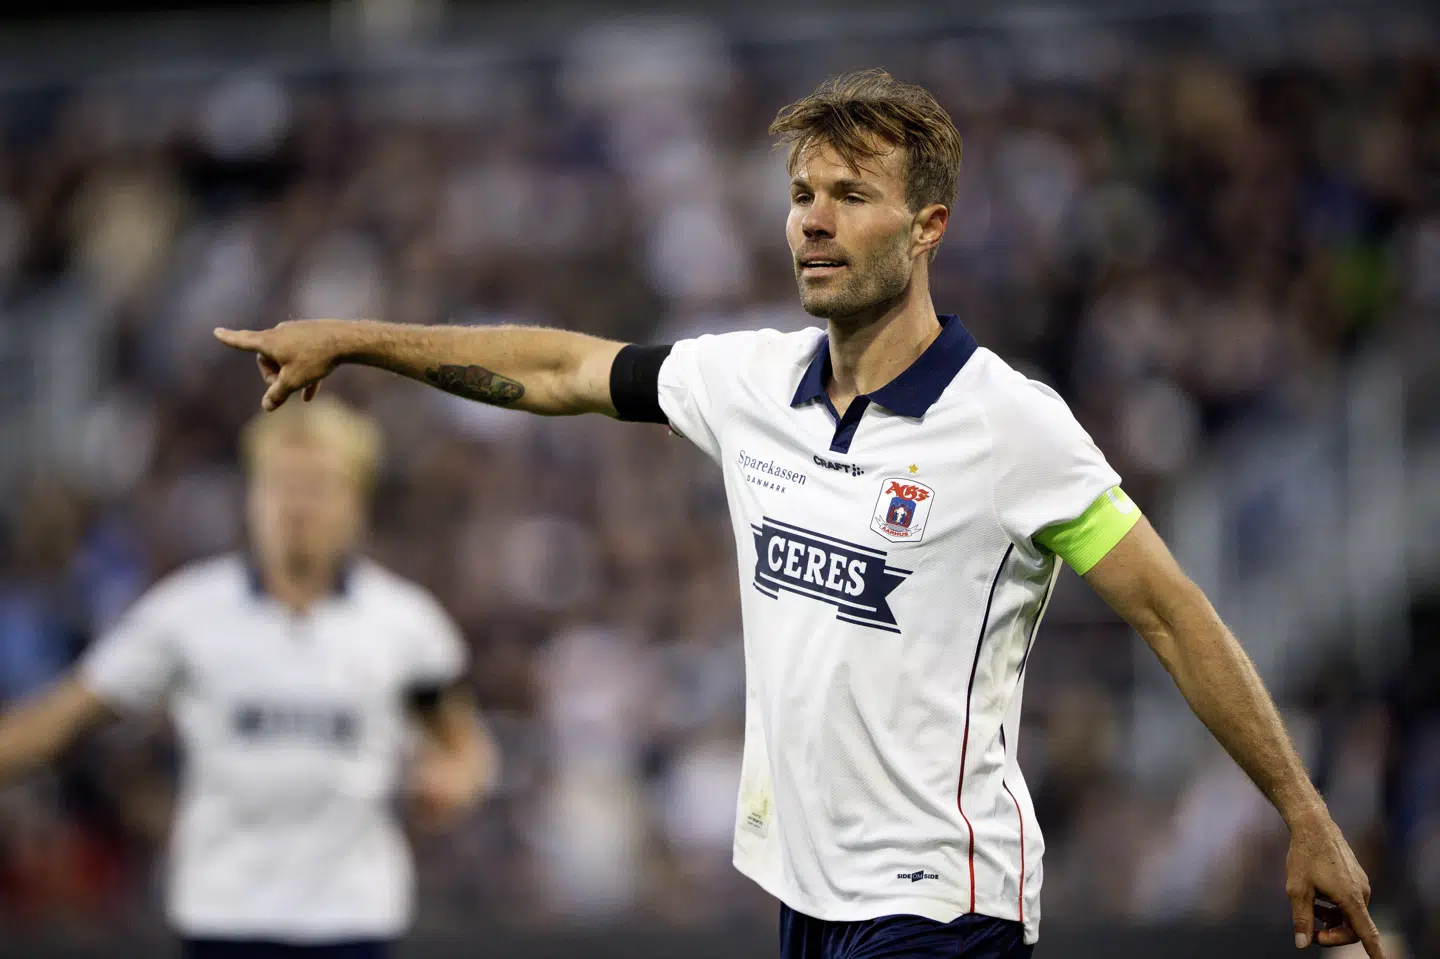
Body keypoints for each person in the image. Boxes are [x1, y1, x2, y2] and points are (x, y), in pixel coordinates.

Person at [215, 69, 1382, 958]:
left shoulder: (1011, 425)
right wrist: (361, 338)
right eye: (801, 195)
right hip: (805, 894)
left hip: (939, 898)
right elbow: (566, 370)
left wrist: (1303, 810)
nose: (812, 221)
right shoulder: (750, 382)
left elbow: (1173, 612)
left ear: (928, 227)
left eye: (850, 196)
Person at [0, 396, 496, 959]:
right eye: (282, 484)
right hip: (226, 912)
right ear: (252, 498)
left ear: (355, 503)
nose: (297, 506)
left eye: (318, 486)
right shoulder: (186, 616)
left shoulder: (404, 626)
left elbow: (462, 745)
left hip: (350, 915)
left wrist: (452, 781)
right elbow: (63, 716)